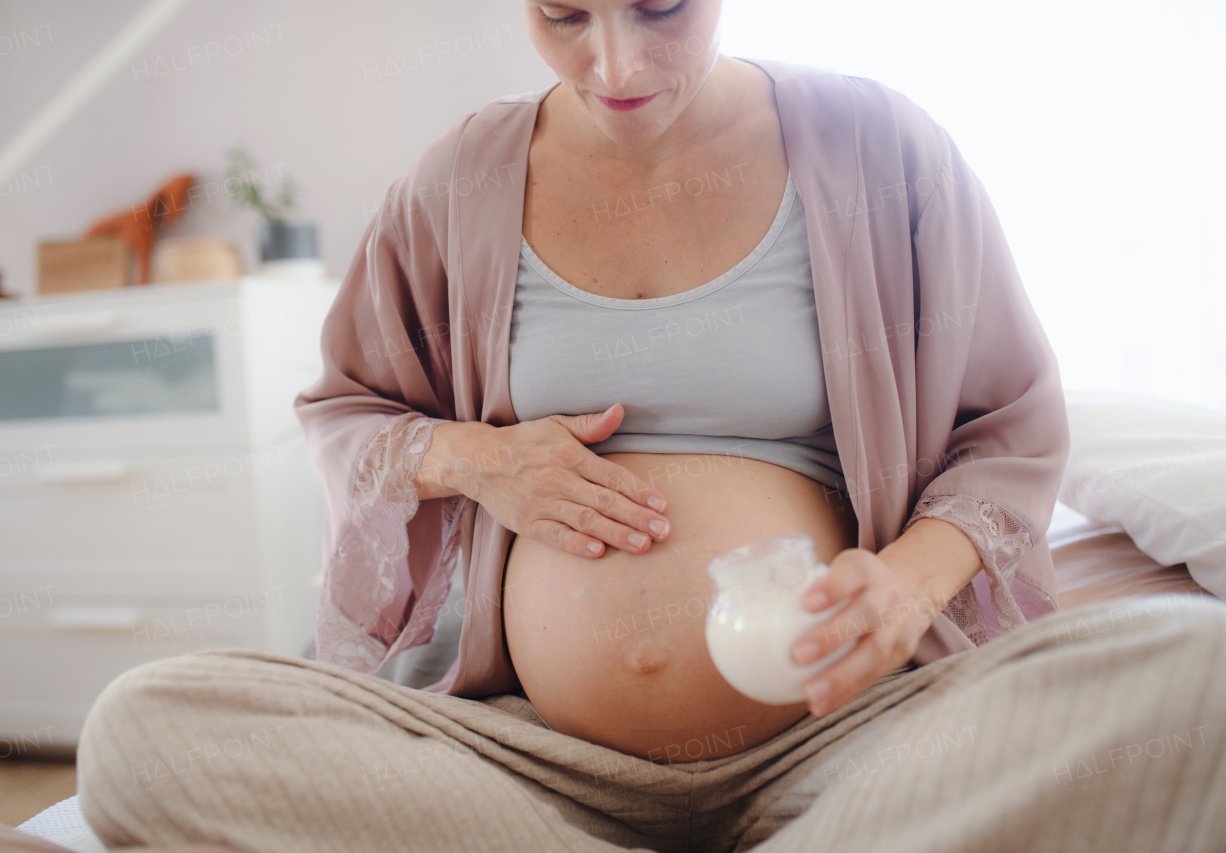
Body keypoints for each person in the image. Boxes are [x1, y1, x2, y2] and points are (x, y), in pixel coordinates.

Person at [76, 2, 1226, 851]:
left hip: (841, 750)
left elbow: (1009, 425)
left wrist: (908, 586)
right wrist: (481, 459)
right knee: (145, 729)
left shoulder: (876, 146)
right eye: (563, 15)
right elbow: (344, 411)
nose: (613, 63)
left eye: (660, 9)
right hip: (531, 775)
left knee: (1198, 670)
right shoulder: (457, 182)